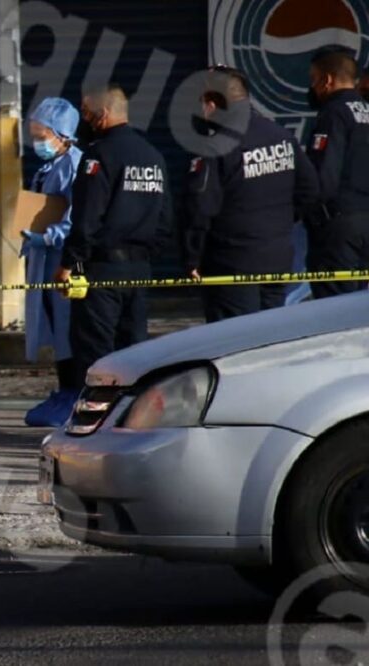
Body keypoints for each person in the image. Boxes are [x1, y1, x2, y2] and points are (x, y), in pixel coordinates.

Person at [54, 84, 173, 392]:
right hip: (139, 271)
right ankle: (131, 416)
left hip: (102, 272)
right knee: (134, 353)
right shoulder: (153, 156)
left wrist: (69, 263)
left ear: (102, 114)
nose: (83, 118)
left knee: (97, 355)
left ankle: (99, 422)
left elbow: (87, 217)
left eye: (85, 112)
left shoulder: (99, 156)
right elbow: (165, 218)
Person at [182, 66, 319, 322]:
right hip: (276, 260)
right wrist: (274, 226)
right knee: (270, 341)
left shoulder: (214, 147)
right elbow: (310, 191)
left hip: (230, 265)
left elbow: (199, 208)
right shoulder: (282, 136)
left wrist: (192, 258)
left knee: (234, 346)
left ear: (212, 103)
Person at [21, 97, 82, 427]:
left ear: (63, 134)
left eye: (42, 135)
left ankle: (74, 392)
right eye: (33, 135)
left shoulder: (74, 166)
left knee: (67, 329)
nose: (37, 143)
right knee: (54, 329)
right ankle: (63, 390)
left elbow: (74, 218)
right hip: (43, 260)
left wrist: (46, 237)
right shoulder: (49, 166)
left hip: (61, 261)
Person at [305, 49, 369, 297]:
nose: (312, 87)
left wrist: (311, 216)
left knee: (333, 307)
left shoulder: (333, 114)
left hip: (339, 226)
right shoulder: (365, 109)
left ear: (327, 80)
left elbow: (323, 176)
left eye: (314, 79)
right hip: (365, 221)